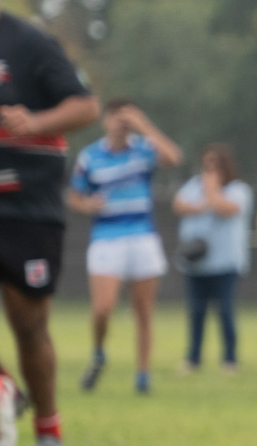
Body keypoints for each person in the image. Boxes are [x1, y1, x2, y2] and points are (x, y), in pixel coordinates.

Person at [0, 0, 99, 446]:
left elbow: (85, 105)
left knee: (28, 322)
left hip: (26, 210)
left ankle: (47, 425)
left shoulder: (30, 44)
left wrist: (35, 122)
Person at [68, 98, 181, 394]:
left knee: (143, 310)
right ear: (106, 121)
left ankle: (143, 374)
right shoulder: (90, 157)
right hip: (107, 237)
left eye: (126, 119)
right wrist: (88, 205)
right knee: (103, 308)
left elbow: (173, 158)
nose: (121, 124)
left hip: (142, 236)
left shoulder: (144, 148)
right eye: (116, 118)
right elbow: (75, 196)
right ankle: (98, 352)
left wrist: (144, 125)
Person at [173, 144, 252, 372]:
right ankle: (193, 358)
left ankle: (230, 358)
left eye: (214, 163)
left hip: (225, 263)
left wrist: (210, 193)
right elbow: (179, 205)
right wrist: (205, 201)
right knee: (196, 312)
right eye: (206, 163)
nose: (209, 169)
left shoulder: (238, 189)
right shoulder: (193, 185)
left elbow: (226, 208)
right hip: (196, 263)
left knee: (225, 311)